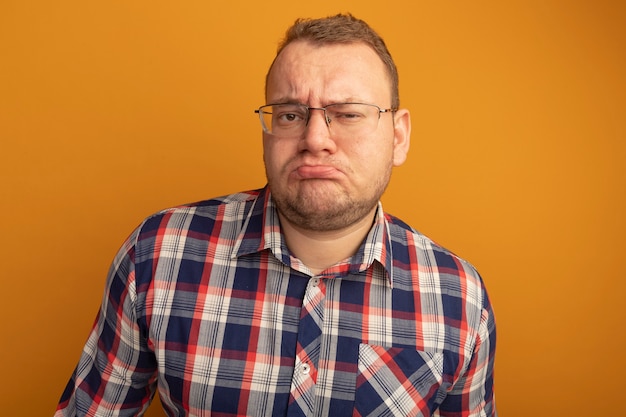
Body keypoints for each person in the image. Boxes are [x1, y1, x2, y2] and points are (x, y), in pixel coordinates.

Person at [55, 13, 496, 417]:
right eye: (290, 114)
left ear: (398, 137)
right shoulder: (157, 255)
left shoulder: (459, 300)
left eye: (347, 114)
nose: (316, 139)